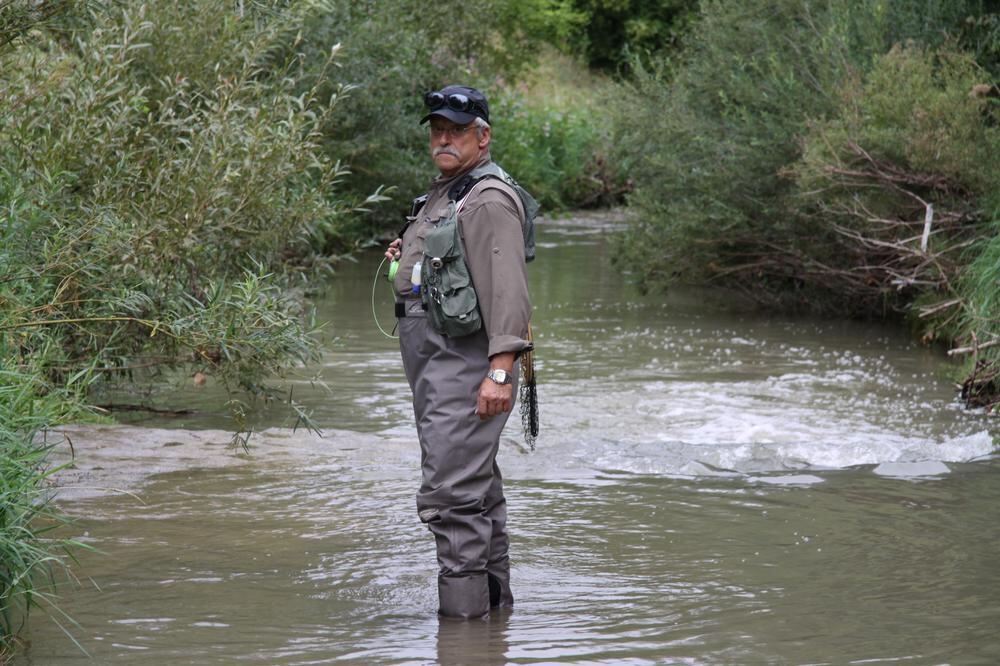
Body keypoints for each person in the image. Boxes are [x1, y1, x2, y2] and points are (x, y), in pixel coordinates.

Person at [384, 85, 532, 619]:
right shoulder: (449, 191)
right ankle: (495, 627)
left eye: (457, 130)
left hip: (465, 366)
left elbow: (508, 289)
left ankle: (464, 635)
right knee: (475, 493)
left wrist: (500, 369)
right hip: (436, 366)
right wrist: (409, 255)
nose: (444, 138)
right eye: (437, 129)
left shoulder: (488, 198)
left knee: (450, 497)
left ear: (482, 136)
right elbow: (450, 264)